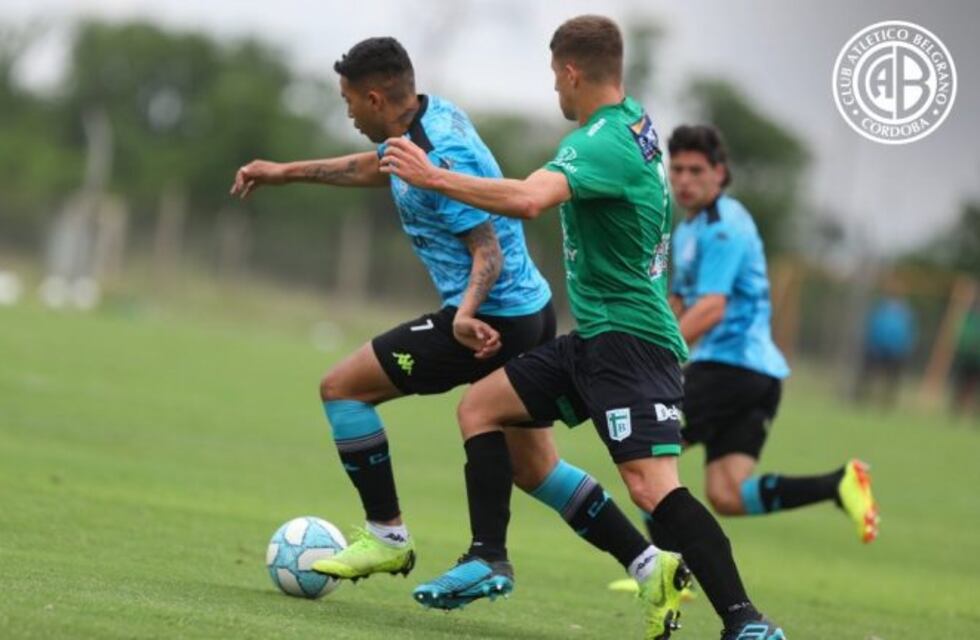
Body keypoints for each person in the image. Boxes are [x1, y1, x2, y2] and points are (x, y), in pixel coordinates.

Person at [382, 16, 783, 640]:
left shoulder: (602, 140)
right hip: (595, 338)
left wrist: (431, 176)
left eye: (554, 78)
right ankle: (488, 555)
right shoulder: (635, 121)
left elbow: (528, 199)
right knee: (481, 408)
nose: (554, 92)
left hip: (632, 343)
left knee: (652, 488)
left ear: (571, 71)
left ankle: (747, 622)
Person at [230, 36, 659, 599]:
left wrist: (465, 315)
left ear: (376, 98)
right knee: (534, 468)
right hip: (528, 311)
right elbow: (375, 166)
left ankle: (390, 535)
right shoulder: (425, 122)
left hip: (489, 320)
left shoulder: (441, 151)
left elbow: (488, 249)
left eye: (349, 101)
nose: (349, 113)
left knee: (342, 389)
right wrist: (283, 172)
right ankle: (648, 562)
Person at [857, 290, 917, 408]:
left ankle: (886, 403)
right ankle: (862, 399)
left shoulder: (905, 313)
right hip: (877, 347)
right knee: (868, 375)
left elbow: (909, 332)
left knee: (891, 380)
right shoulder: (881, 310)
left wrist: (906, 347)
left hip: (896, 350)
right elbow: (873, 327)